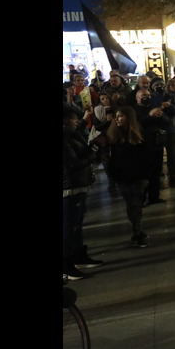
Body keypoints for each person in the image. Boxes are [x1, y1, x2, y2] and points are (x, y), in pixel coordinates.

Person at [105, 106, 153, 247]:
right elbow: (111, 157)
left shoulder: (139, 134)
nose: (117, 119)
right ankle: (136, 231)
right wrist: (112, 174)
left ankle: (137, 231)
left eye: (120, 116)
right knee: (130, 203)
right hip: (121, 176)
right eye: (116, 116)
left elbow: (147, 158)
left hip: (137, 175)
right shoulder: (114, 134)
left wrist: (146, 176)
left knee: (136, 204)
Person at [63, 104, 101, 280]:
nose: (77, 120)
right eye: (73, 117)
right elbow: (72, 164)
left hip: (77, 185)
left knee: (76, 225)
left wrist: (92, 146)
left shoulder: (71, 134)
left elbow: (79, 153)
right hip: (70, 187)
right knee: (69, 227)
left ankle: (79, 256)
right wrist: (92, 153)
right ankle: (67, 266)